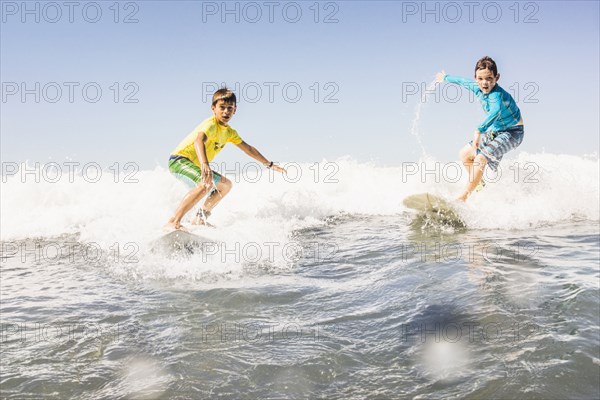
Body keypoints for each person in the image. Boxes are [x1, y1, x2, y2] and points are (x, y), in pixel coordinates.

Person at [165, 88, 286, 231]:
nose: (226, 112)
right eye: (222, 107)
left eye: (230, 108)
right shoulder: (210, 125)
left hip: (194, 164)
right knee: (206, 184)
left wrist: (270, 165)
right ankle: (173, 221)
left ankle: (200, 218)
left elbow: (249, 149)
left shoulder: (229, 132)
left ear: (235, 110)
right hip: (179, 160)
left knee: (225, 185)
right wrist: (205, 164)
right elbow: (199, 141)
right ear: (213, 108)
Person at [436, 56, 524, 201]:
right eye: (480, 78)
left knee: (481, 158)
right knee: (464, 154)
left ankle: (463, 198)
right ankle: (479, 185)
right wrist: (445, 77)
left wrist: (478, 131)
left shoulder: (496, 95)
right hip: (496, 131)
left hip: (513, 132)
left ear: (497, 77)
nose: (485, 83)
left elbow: (495, 111)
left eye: (489, 78)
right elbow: (462, 81)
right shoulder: (477, 86)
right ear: (475, 78)